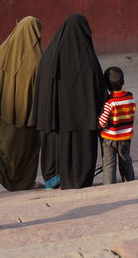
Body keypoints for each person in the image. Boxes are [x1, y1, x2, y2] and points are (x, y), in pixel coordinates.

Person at [32, 14, 106, 189]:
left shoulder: (49, 56)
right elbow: (98, 86)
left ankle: (57, 178)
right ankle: (79, 179)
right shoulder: (88, 59)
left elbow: (41, 89)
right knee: (82, 146)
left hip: (57, 117)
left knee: (60, 144)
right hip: (83, 120)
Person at [0, 16, 43, 195]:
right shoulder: (36, 59)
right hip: (25, 113)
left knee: (5, 143)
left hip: (3, 109)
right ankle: (25, 181)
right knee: (27, 148)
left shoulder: (0, 52)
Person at [98, 67, 136, 184]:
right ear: (123, 82)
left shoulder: (109, 102)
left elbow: (102, 122)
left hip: (110, 138)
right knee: (125, 159)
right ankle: (130, 180)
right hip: (125, 137)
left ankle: (109, 185)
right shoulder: (130, 97)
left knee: (109, 163)